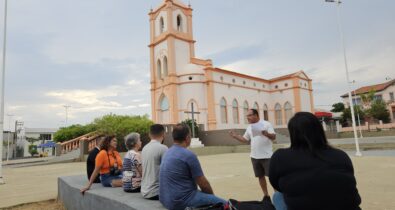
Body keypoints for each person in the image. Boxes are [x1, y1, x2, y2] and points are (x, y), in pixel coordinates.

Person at [269, 112, 361, 210]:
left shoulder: (280, 156)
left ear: (292, 133)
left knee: (278, 196)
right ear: (319, 130)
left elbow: (276, 184)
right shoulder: (341, 155)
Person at [160, 124, 226, 210]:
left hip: (165, 200)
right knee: (226, 204)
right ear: (187, 138)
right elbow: (203, 184)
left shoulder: (167, 152)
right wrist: (212, 199)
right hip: (180, 202)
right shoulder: (188, 155)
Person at [229, 108, 276, 201]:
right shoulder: (249, 127)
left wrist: (266, 134)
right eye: (247, 116)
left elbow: (274, 137)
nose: (248, 117)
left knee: (272, 178)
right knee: (260, 177)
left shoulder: (266, 124)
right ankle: (266, 196)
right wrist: (235, 136)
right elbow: (245, 139)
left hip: (267, 156)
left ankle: (278, 195)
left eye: (249, 115)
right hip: (254, 156)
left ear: (256, 115)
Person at [141, 124, 168, 200]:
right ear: (163, 134)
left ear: (150, 135)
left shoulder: (144, 148)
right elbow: (168, 171)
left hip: (144, 191)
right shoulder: (163, 148)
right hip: (156, 192)